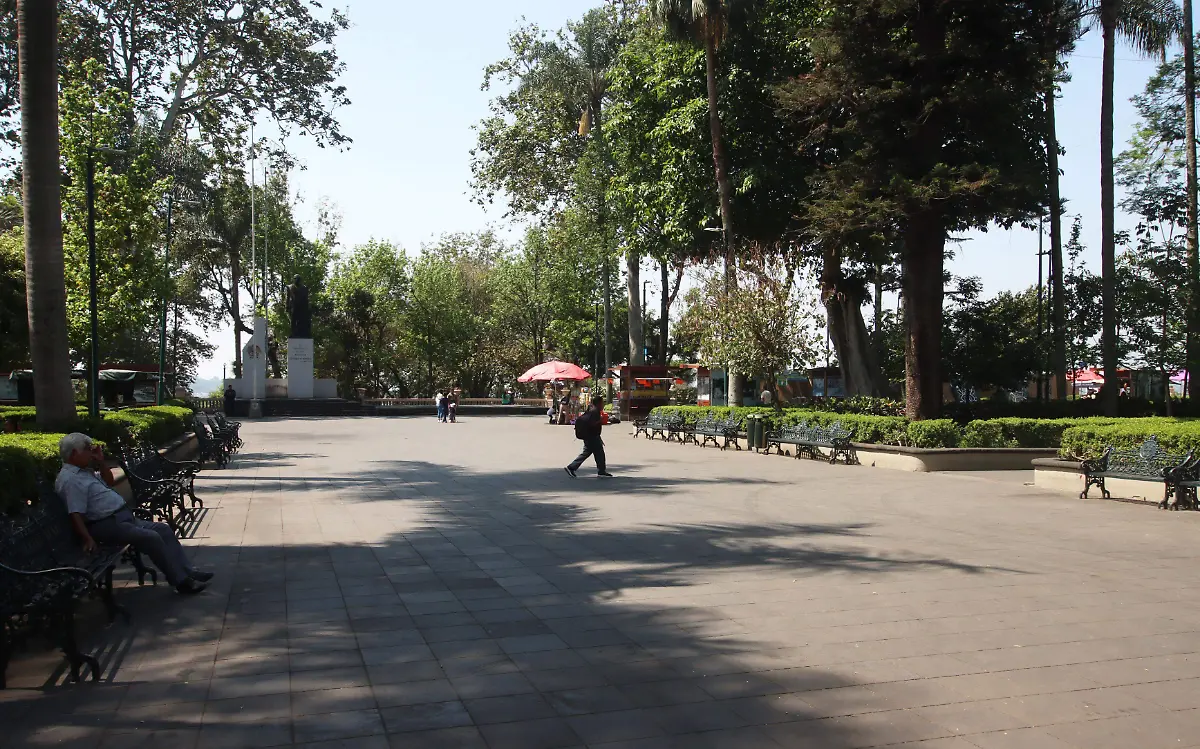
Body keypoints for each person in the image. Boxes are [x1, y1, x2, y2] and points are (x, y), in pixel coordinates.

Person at [55, 433, 211, 594]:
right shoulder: (70, 480)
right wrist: (87, 538)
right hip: (107, 523)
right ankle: (181, 581)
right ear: (74, 453)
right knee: (152, 537)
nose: (91, 453)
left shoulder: (83, 472)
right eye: (87, 449)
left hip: (122, 518)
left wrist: (101, 462)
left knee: (163, 529)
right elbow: (75, 513)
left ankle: (188, 571)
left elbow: (109, 482)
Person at [565, 395, 613, 478]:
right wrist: (600, 421)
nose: (603, 405)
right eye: (602, 403)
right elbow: (592, 424)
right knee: (598, 453)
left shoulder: (591, 411)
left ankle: (600, 471)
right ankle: (572, 467)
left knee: (592, 453)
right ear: (598, 403)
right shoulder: (595, 412)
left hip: (590, 435)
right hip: (592, 436)